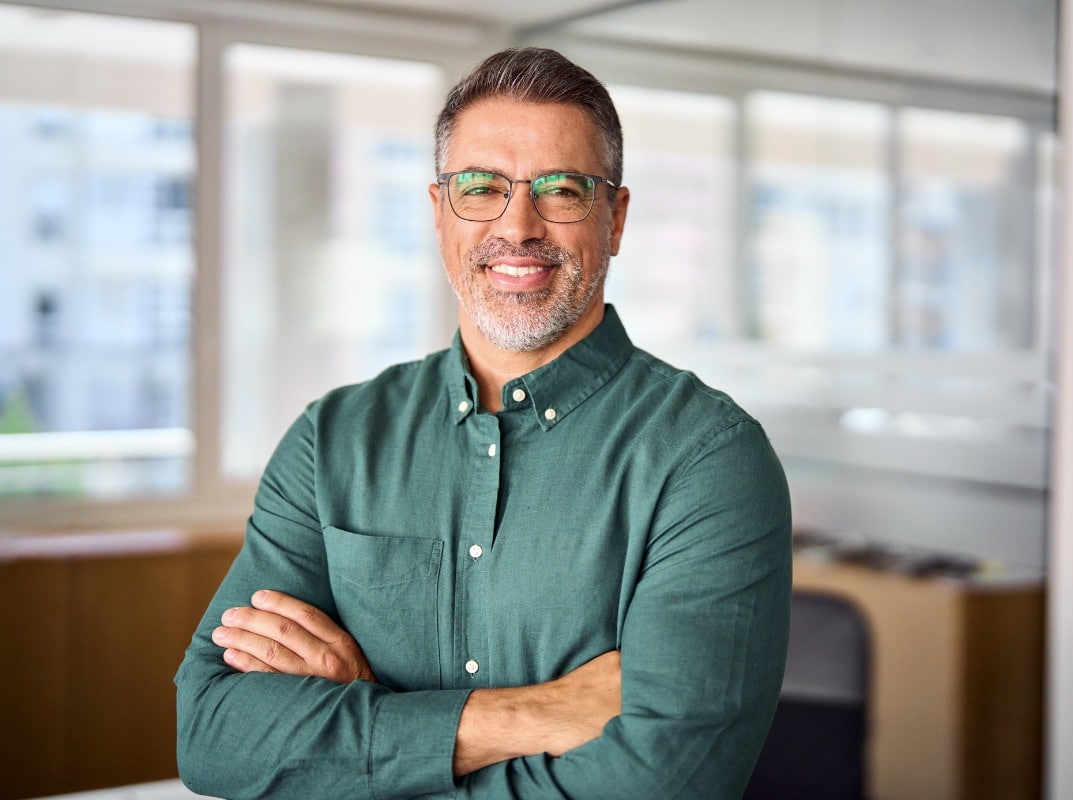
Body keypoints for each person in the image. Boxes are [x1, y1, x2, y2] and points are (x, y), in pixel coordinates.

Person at [175, 46, 792, 799]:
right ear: (440, 214)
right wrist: (530, 715)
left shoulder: (708, 459)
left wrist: (366, 734)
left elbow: (661, 785)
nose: (519, 226)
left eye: (562, 189)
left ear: (616, 217)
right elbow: (211, 732)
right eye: (480, 188)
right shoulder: (332, 439)